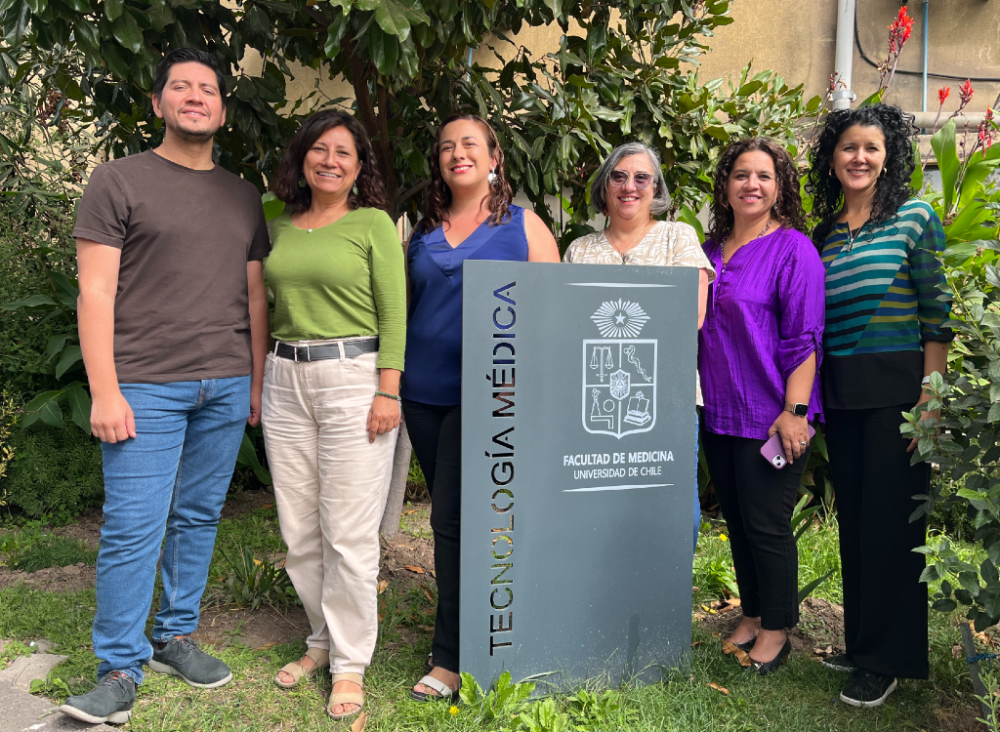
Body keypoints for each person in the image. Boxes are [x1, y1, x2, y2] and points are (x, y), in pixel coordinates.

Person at [61, 49, 270, 725]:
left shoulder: (243, 195)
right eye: (179, 87)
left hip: (226, 380)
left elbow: (254, 296)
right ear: (158, 104)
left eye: (206, 88)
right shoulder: (119, 181)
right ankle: (119, 668)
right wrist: (104, 389)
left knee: (198, 517)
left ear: (222, 109)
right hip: (145, 385)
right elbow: (95, 290)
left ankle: (174, 636)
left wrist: (255, 385)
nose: (194, 96)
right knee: (132, 528)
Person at [403, 114, 560, 701]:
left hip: (492, 400)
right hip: (423, 395)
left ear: (494, 156)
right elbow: (411, 309)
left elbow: (552, 314)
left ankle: (452, 656)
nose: (457, 153)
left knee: (455, 522)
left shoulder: (524, 226)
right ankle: (476, 633)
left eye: (469, 143)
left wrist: (520, 383)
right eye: (446, 146)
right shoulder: (423, 231)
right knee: (458, 522)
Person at [262, 110, 406, 721]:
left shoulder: (372, 223)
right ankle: (321, 640)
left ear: (358, 166)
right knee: (299, 530)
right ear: (302, 158)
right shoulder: (279, 224)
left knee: (347, 532)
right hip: (282, 377)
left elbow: (393, 311)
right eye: (319, 150)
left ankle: (350, 664)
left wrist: (388, 390)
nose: (330, 161)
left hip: (354, 376)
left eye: (343, 153)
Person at [808, 104, 952, 708]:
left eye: (870, 147)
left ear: (888, 154)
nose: (859, 157)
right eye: (847, 148)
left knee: (892, 527)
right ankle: (864, 641)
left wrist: (932, 397)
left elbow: (936, 309)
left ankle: (887, 661)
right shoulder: (826, 231)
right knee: (859, 526)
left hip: (899, 393)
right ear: (833, 160)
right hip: (843, 395)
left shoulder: (914, 217)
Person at [698, 138, 825, 676]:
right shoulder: (708, 250)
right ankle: (751, 614)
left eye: (764, 176)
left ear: (779, 188)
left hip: (770, 416)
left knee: (767, 525)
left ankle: (776, 631)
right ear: (725, 185)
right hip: (716, 412)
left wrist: (795, 412)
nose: (752, 184)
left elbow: (804, 338)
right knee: (740, 523)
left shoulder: (794, 249)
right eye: (741, 174)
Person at [563, 141, 714, 551]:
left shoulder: (677, 237)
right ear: (605, 186)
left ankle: (661, 607)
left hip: (666, 398)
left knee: (674, 512)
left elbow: (690, 317)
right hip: (592, 401)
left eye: (641, 177)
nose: (630, 186)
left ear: (656, 189)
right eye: (619, 176)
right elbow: (565, 329)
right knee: (598, 511)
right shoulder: (580, 249)